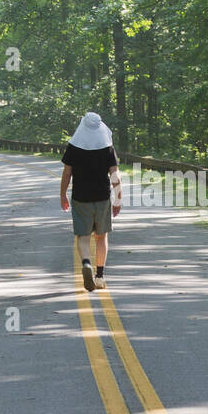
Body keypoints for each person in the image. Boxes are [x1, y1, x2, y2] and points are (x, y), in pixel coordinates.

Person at [60, 112, 121, 291]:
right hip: (102, 197)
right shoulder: (107, 147)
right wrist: (118, 198)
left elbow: (66, 173)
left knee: (83, 236)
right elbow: (115, 175)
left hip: (81, 197)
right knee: (101, 237)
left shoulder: (74, 146)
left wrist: (63, 194)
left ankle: (86, 263)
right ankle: (100, 276)